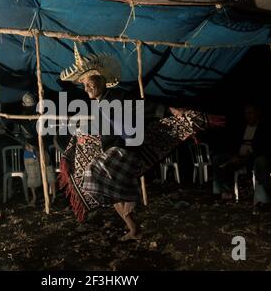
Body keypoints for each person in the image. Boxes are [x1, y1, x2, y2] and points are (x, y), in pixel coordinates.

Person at [57, 44, 225, 241]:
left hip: (126, 151)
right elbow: (92, 131)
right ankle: (134, 228)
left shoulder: (118, 97)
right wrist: (84, 137)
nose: (86, 87)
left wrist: (171, 110)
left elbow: (145, 107)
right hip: (112, 152)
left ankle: (130, 193)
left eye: (88, 81)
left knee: (94, 174)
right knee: (107, 189)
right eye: (83, 84)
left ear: (101, 78)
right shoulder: (96, 107)